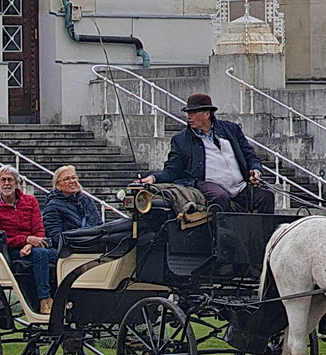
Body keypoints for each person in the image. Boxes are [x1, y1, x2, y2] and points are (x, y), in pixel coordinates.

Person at [137, 93, 274, 213]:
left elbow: (249, 154)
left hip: (239, 186)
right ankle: (221, 238)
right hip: (207, 184)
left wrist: (255, 169)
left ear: (207, 114)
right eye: (188, 114)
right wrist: (154, 178)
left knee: (266, 197)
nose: (189, 117)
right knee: (220, 197)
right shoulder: (181, 140)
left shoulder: (231, 129)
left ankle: (264, 239)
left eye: (193, 113)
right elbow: (173, 170)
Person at [0, 165, 55, 314]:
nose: (7, 183)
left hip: (33, 246)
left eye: (10, 180)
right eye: (3, 180)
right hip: (10, 251)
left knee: (64, 255)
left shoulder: (30, 201)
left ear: (16, 183)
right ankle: (44, 300)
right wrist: (25, 240)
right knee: (42, 254)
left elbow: (39, 229)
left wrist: (30, 244)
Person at [43, 165, 105, 248]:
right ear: (58, 186)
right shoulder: (52, 206)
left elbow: (99, 224)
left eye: (73, 178)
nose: (72, 181)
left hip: (92, 245)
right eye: (66, 179)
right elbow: (55, 236)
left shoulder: (87, 200)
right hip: (72, 250)